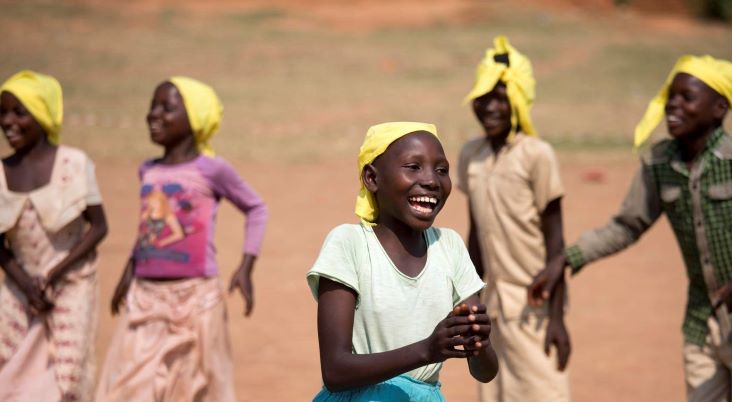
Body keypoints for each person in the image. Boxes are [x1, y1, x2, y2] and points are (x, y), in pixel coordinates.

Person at [530, 55, 732, 401]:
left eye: (687, 97)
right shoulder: (659, 162)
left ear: (719, 108)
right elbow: (627, 226)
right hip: (702, 320)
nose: (673, 103)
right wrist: (565, 259)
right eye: (671, 96)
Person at [95, 76, 267, 402]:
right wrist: (127, 273)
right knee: (129, 386)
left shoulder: (212, 169)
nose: (153, 115)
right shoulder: (148, 170)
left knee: (193, 387)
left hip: (196, 299)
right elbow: (148, 229)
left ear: (196, 118)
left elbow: (256, 208)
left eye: (167, 108)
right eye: (152, 107)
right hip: (145, 298)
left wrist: (246, 266)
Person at [307, 122, 498, 401]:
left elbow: (485, 372)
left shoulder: (450, 246)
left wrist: (479, 341)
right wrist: (427, 351)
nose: (432, 180)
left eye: (441, 170)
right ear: (372, 178)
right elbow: (335, 371)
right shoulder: (349, 244)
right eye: (413, 167)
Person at [457, 36, 570, 402]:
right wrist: (468, 297)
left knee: (542, 390)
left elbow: (557, 243)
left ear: (518, 101)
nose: (490, 107)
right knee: (495, 392)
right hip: (490, 303)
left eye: (501, 98)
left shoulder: (537, 155)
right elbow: (476, 233)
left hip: (534, 302)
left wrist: (557, 319)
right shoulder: (470, 155)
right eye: (483, 97)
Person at [0, 70, 108, 401]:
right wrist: (25, 281)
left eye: (20, 112)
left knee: (68, 373)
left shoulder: (74, 164)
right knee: (9, 363)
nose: (8, 122)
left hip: (72, 282)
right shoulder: (1, 172)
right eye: (2, 113)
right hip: (18, 285)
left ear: (44, 114)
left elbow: (99, 226)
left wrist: (54, 273)